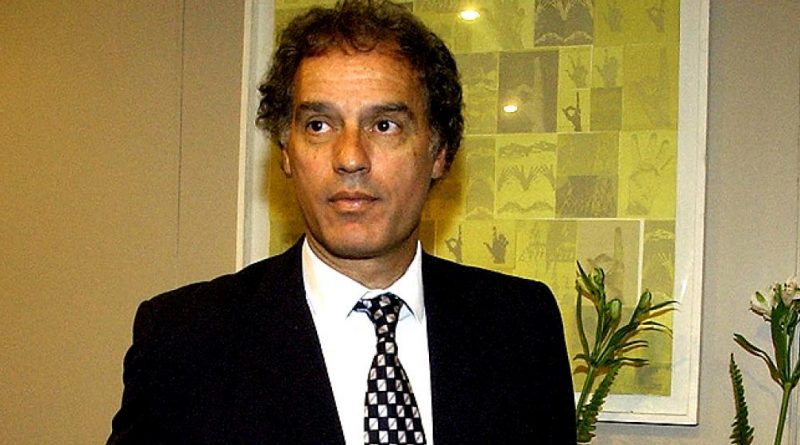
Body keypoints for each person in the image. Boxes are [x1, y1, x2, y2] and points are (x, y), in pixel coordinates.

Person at [106, 0, 575, 443]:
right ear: (286, 152)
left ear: (439, 152)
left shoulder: (521, 326)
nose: (350, 157)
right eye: (319, 125)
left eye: (384, 125)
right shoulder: (185, 341)